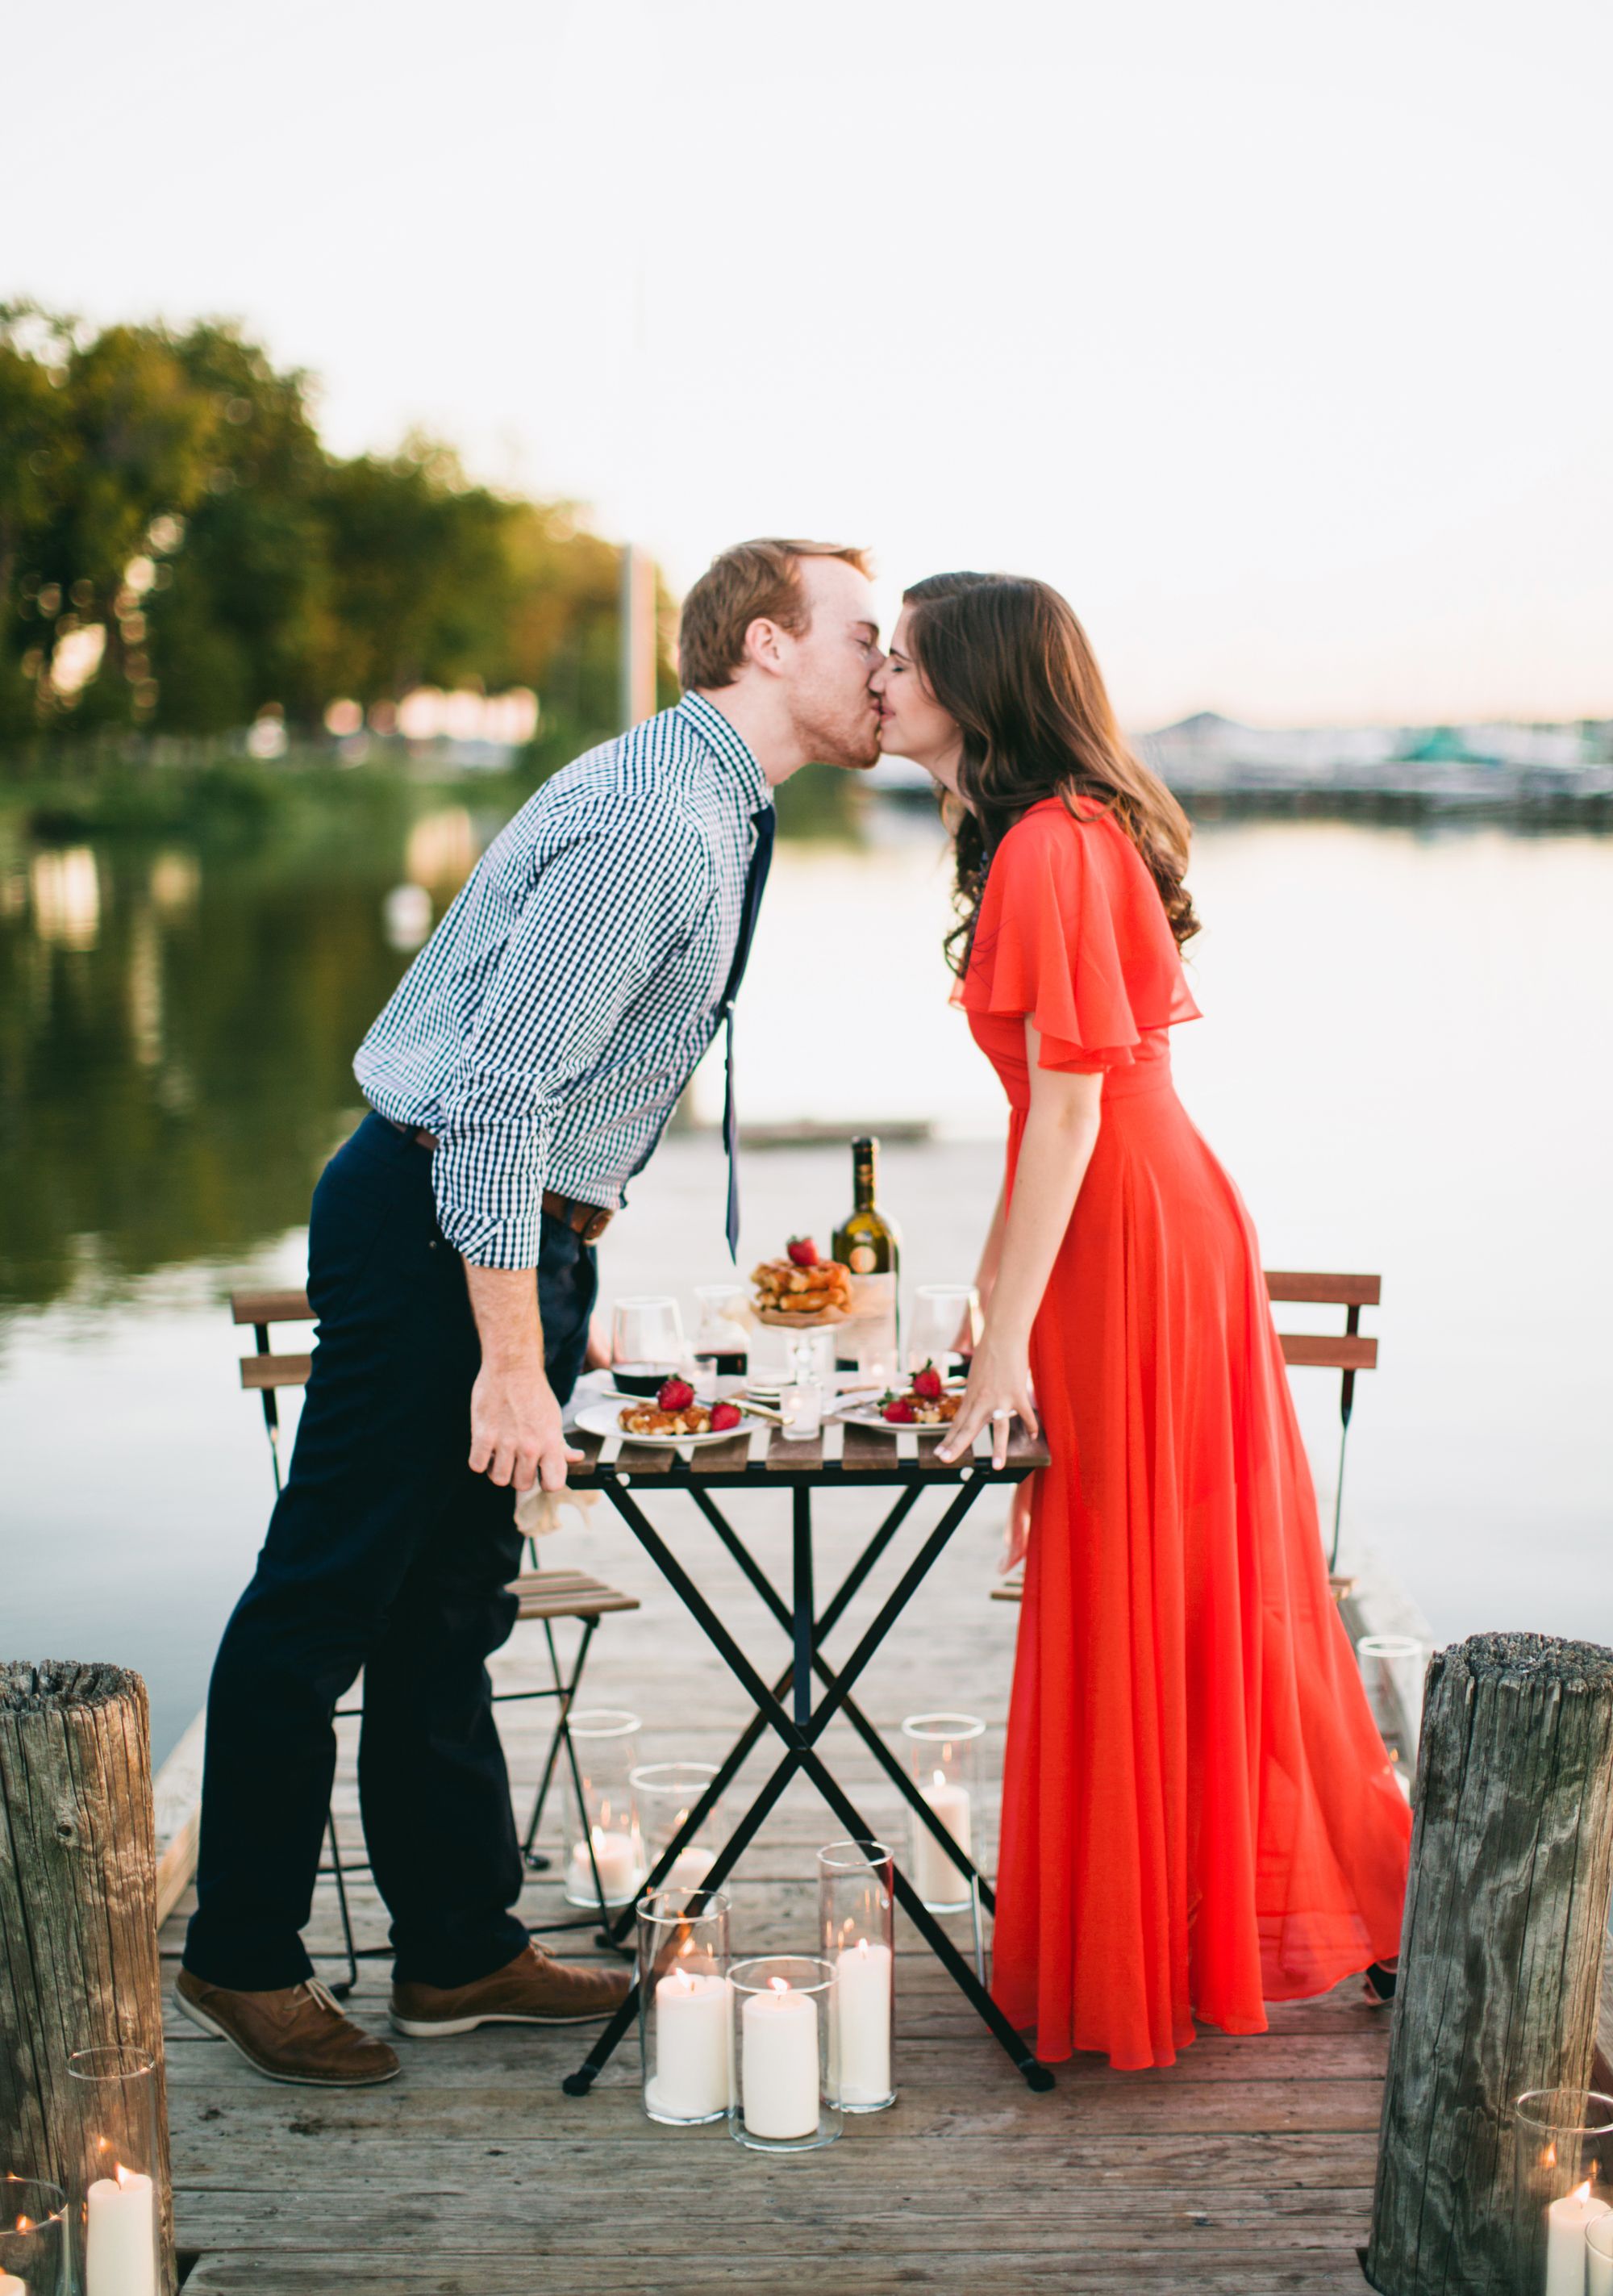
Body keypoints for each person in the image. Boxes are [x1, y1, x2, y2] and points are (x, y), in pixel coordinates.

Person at [177, 538, 885, 2086]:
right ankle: (239, 1951)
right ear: (769, 645)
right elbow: (494, 1093)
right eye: (861, 634)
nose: (883, 665)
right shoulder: (655, 818)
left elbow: (574, 1083)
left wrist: (577, 1267)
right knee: (324, 1595)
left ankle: (455, 1948)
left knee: (452, 1602)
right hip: (439, 1219)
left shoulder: (712, 801)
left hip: (508, 1234)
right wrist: (512, 1349)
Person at [871, 574, 1411, 2073]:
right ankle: (1168, 1921)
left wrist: (997, 1356)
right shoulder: (1039, 838)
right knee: (1143, 1572)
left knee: (1156, 1574)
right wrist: (994, 1301)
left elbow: (1064, 1116)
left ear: (976, 687)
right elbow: (1039, 1125)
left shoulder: (1053, 845)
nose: (879, 681)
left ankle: (1201, 1928)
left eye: (902, 661)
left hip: (1136, 1233)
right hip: (1125, 1223)